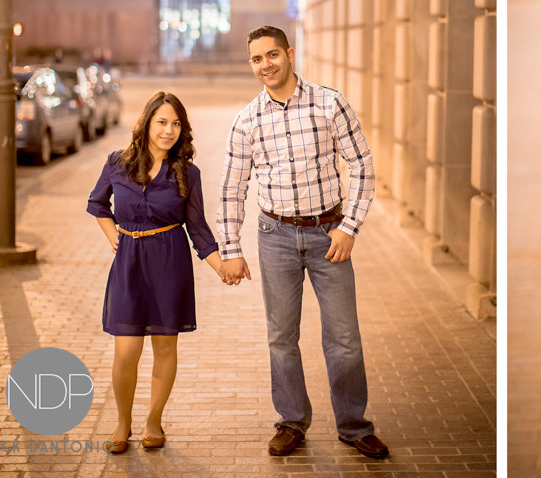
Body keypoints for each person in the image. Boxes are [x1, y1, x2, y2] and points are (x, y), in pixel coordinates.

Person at [216, 25, 387, 459]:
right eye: (256, 59)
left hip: (328, 235)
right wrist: (231, 249)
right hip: (274, 236)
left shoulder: (329, 103)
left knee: (344, 337)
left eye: (272, 55)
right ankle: (291, 422)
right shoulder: (247, 119)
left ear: (289, 53)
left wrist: (349, 227)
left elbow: (362, 164)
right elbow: (232, 188)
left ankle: (353, 425)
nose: (265, 65)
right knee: (281, 337)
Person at [87, 91, 226, 453]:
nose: (169, 130)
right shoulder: (118, 162)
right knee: (126, 351)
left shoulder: (187, 173)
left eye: (176, 123)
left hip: (169, 261)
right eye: (162, 122)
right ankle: (122, 421)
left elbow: (197, 228)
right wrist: (113, 236)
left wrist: (220, 266)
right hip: (130, 262)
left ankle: (153, 420)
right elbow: (97, 203)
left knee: (165, 347)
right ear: (147, 122)